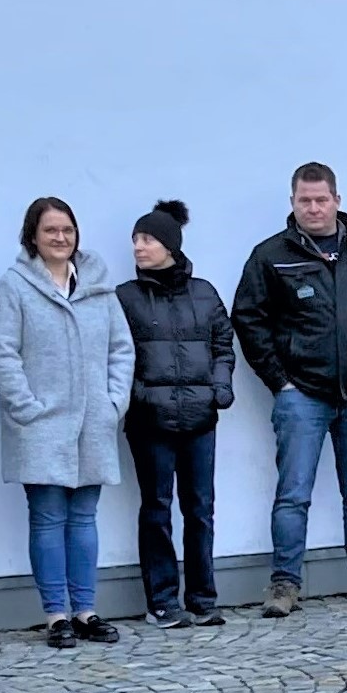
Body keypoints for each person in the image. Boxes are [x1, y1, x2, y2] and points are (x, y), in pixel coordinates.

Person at [236, 162, 347, 616]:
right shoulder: (270, 255)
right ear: (292, 203)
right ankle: (285, 585)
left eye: (321, 199)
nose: (313, 207)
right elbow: (249, 320)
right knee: (293, 493)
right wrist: (280, 381)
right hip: (302, 395)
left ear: (337, 199)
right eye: (303, 200)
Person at [0, 197, 135, 647]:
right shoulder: (14, 287)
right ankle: (56, 615)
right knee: (48, 517)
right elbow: (1, 354)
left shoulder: (98, 287)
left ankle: (86, 610)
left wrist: (113, 402)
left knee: (84, 517)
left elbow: (121, 349)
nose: (60, 237)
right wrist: (26, 407)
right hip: (41, 424)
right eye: (50, 230)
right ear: (33, 235)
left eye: (67, 229)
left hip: (93, 422)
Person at [116, 200, 238, 624]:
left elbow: (223, 343)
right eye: (135, 239)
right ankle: (162, 601)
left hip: (201, 420)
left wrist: (219, 390)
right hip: (150, 422)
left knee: (200, 509)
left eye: (147, 238)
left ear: (170, 245)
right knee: (156, 509)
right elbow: (114, 356)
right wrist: (140, 396)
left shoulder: (204, 293)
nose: (138, 247)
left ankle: (203, 599)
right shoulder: (125, 298)